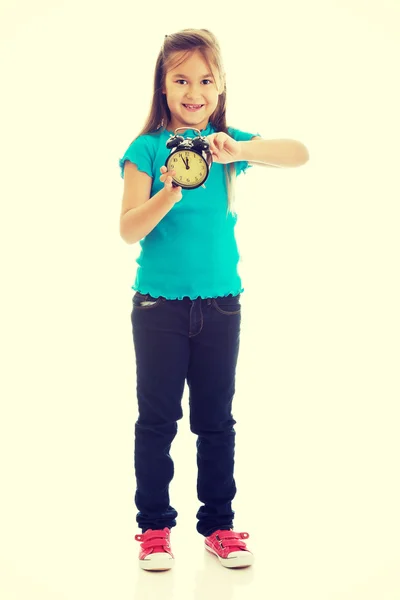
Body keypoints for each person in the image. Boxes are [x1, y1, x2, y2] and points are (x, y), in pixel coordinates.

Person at [118, 28, 309, 572]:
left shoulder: (225, 145)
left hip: (222, 304)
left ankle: (219, 527)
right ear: (163, 85)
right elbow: (129, 230)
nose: (193, 90)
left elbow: (299, 154)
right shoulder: (148, 149)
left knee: (215, 421)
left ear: (221, 86)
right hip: (158, 307)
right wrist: (170, 189)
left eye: (205, 79)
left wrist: (240, 149)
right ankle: (154, 529)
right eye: (180, 79)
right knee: (156, 420)